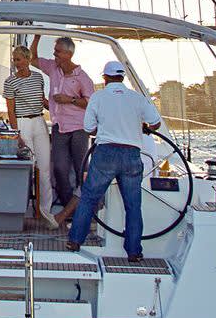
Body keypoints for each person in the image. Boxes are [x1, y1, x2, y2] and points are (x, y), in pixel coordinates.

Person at [62, 60, 164, 260]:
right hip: (131, 155)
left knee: (89, 198)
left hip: (105, 153)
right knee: (133, 205)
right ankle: (134, 252)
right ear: (122, 77)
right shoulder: (137, 98)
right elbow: (156, 123)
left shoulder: (98, 98)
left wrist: (104, 128)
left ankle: (75, 241)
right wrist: (142, 127)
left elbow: (89, 128)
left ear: (105, 77)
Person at [44, 36, 96, 221]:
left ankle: (87, 211)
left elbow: (91, 103)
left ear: (68, 54)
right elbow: (32, 58)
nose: (54, 53)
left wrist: (70, 100)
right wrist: (34, 37)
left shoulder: (83, 77)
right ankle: (69, 210)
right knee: (59, 168)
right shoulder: (52, 68)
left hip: (79, 129)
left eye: (57, 51)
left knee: (81, 169)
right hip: (59, 127)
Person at [2, 42, 51, 225]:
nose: (16, 63)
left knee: (44, 168)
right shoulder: (10, 81)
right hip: (22, 122)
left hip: (39, 121)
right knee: (26, 169)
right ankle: (21, 209)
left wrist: (61, 111)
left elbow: (43, 101)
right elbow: (10, 110)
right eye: (14, 60)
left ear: (28, 59)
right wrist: (17, 134)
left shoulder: (38, 78)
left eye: (19, 59)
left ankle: (45, 211)